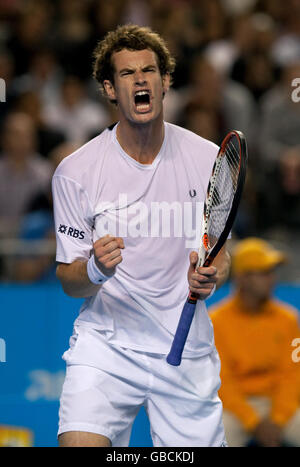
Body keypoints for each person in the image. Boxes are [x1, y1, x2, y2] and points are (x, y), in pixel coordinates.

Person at [52, 24, 231, 448]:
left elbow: (223, 251)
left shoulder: (208, 159)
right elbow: (67, 279)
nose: (141, 79)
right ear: (110, 89)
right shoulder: (76, 172)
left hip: (185, 349)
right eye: (128, 73)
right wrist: (94, 269)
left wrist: (213, 275)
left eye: (149, 70)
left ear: (165, 81)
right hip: (108, 346)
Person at [209, 238, 300, 447]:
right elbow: (222, 381)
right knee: (216, 435)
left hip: (279, 405)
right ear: (243, 278)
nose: (272, 279)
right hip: (234, 409)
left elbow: (293, 374)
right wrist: (253, 421)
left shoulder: (289, 319)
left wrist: (278, 419)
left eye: (271, 272)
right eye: (264, 272)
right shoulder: (217, 321)